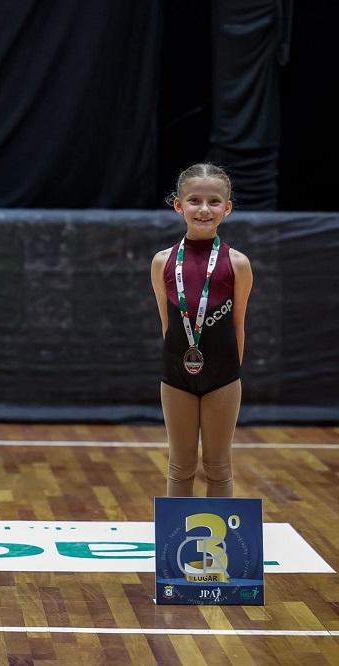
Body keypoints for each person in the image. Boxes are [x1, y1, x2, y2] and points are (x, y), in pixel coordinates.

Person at [150, 163, 253, 497]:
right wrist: (181, 365)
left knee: (218, 466)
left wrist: (230, 374)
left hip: (222, 376)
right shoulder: (162, 262)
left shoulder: (237, 263)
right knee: (180, 466)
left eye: (214, 201)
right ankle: (177, 548)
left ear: (227, 208)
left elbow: (238, 324)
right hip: (176, 375)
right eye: (194, 200)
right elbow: (168, 324)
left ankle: (216, 550)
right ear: (179, 205)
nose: (204, 209)